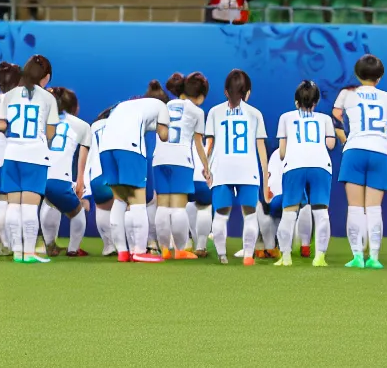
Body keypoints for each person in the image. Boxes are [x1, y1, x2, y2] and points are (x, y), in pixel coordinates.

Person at [334, 53, 387, 270]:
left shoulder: (347, 94)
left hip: (355, 150)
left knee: (355, 208)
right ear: (379, 77)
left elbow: (336, 116)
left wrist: (347, 134)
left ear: (357, 74)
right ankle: (375, 257)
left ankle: (357, 256)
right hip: (380, 151)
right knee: (374, 208)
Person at [0, 54, 56, 263]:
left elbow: (0, 126)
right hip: (35, 155)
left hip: (11, 154)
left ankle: (17, 251)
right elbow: (50, 132)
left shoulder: (9, 96)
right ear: (45, 77)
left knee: (13, 205)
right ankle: (29, 252)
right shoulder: (48, 98)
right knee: (30, 207)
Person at [99, 81, 168, 262]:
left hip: (105, 149)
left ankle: (122, 251)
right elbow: (164, 135)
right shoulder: (162, 106)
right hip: (130, 150)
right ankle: (139, 250)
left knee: (120, 200)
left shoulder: (124, 105)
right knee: (138, 202)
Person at [204, 68, 268, 265]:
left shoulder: (214, 112)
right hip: (247, 169)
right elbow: (261, 148)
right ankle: (248, 256)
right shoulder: (255, 114)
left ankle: (222, 256)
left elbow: (210, 145)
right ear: (247, 92)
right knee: (250, 214)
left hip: (221, 168)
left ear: (225, 91)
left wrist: (206, 168)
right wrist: (265, 176)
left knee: (221, 214)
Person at [274, 79, 334, 267]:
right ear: (316, 102)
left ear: (296, 101)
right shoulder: (325, 119)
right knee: (321, 212)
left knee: (289, 211)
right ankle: (320, 257)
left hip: (294, 165)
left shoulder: (285, 117)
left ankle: (285, 257)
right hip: (321, 165)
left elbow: (282, 153)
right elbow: (330, 145)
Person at [153, 71, 210, 260]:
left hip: (159, 158)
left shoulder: (164, 106)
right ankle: (180, 250)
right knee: (178, 208)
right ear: (200, 96)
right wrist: (206, 167)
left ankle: (165, 249)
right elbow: (199, 144)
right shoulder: (197, 111)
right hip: (181, 160)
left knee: (162, 206)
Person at [41, 87, 90, 258]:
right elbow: (82, 159)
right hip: (60, 178)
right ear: (75, 107)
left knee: (49, 203)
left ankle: (50, 246)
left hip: (40, 175)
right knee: (77, 212)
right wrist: (80, 181)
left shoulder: (45, 121)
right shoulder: (82, 126)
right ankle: (73, 249)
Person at [0, 59, 19, 255]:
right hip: (4, 157)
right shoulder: (16, 101)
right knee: (5, 201)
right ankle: (6, 244)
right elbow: (1, 126)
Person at [84, 109, 116, 255]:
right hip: (117, 174)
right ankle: (131, 246)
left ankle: (108, 245)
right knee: (127, 207)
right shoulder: (121, 124)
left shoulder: (92, 128)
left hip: (97, 175)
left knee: (103, 208)